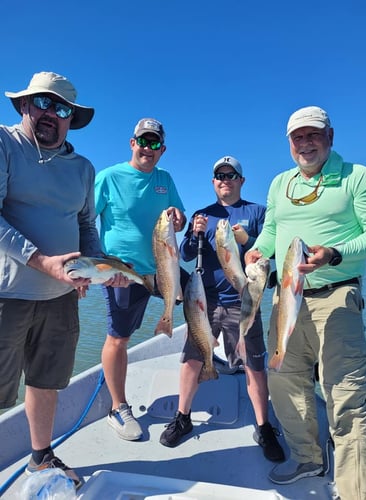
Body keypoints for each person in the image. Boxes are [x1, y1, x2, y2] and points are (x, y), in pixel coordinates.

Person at [245, 106, 366, 499]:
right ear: (289, 143)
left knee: (346, 396)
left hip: (336, 296)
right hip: (285, 296)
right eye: (298, 137)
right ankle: (307, 458)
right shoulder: (280, 183)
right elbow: (270, 232)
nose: (306, 143)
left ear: (330, 136)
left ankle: (356, 491)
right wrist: (256, 252)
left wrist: (333, 253)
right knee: (284, 378)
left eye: (313, 134)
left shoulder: (358, 177)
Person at [0, 71, 114, 487]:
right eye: (44, 103)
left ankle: (40, 457)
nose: (52, 114)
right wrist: (41, 260)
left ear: (71, 119)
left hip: (62, 296)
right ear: (25, 105)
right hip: (6, 294)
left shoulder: (82, 168)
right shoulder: (4, 144)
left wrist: (98, 268)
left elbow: (86, 226)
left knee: (47, 381)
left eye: (62, 108)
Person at [159, 155, 285, 463]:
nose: (225, 179)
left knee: (254, 365)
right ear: (213, 181)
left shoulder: (257, 212)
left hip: (244, 302)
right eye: (219, 175)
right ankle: (183, 416)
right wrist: (195, 233)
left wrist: (247, 238)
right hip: (204, 301)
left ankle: (263, 426)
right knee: (192, 358)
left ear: (241, 180)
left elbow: (270, 250)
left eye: (231, 175)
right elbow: (186, 254)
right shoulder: (202, 214)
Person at [95, 117, 186, 441]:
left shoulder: (165, 179)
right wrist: (98, 267)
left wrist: (179, 217)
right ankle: (117, 408)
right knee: (119, 337)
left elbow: (179, 216)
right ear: (133, 143)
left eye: (155, 143)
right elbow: (83, 219)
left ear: (163, 149)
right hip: (125, 274)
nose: (148, 148)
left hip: (163, 270)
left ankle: (213, 357)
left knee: (204, 300)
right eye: (143, 141)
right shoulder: (109, 177)